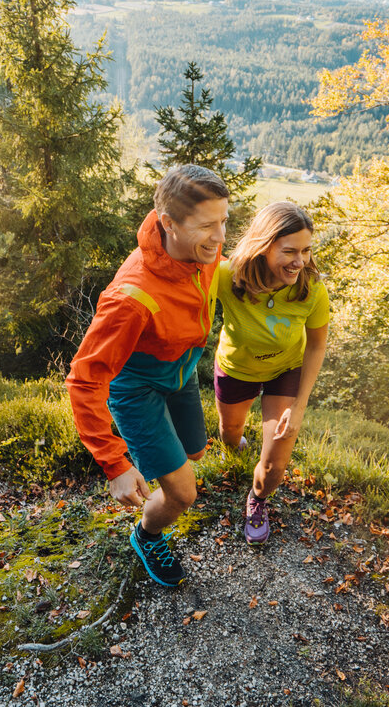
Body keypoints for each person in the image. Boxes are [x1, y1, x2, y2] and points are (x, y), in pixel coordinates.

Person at [66, 165, 229, 587]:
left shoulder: (201, 252)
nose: (219, 236)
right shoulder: (130, 299)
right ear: (168, 224)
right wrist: (114, 464)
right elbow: (84, 380)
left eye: (224, 221)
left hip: (180, 373)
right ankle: (147, 534)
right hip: (137, 389)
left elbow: (224, 269)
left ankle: (156, 458)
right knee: (183, 493)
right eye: (207, 225)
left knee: (194, 453)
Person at [213, 201, 330, 545]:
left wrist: (299, 406)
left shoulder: (312, 290)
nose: (300, 261)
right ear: (263, 246)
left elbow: (316, 346)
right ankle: (234, 449)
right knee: (230, 432)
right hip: (237, 367)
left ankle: (258, 499)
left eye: (307, 250)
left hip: (286, 370)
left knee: (277, 458)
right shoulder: (227, 276)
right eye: (290, 251)